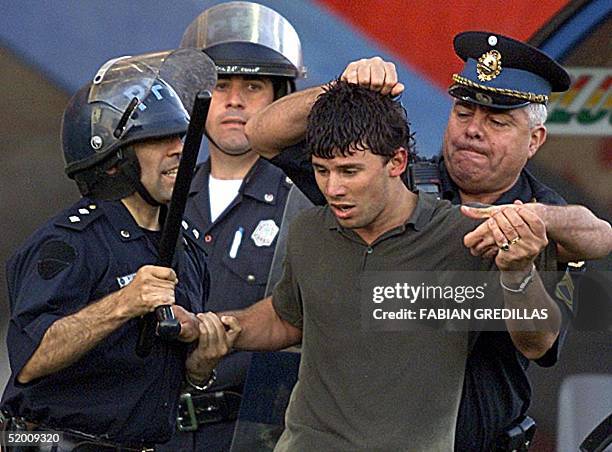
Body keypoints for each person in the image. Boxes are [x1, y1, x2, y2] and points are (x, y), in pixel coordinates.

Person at [244, 35, 611, 450]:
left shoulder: (537, 216)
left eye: (497, 121)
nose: (473, 131)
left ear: (535, 140)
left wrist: (532, 223)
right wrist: (343, 90)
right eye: (464, 111)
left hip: (481, 440)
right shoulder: (393, 181)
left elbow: (595, 239)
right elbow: (263, 134)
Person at [0, 51, 239, 450]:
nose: (179, 149)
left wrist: (199, 360)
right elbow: (30, 360)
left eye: (180, 136)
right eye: (158, 139)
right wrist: (125, 302)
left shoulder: (188, 248)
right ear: (115, 162)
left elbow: (158, 379)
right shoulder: (69, 244)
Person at [155, 3, 307, 451]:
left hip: (259, 433)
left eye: (253, 86)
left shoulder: (306, 201)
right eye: (220, 85)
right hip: (162, 433)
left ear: (280, 99)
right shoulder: (163, 199)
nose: (235, 100)